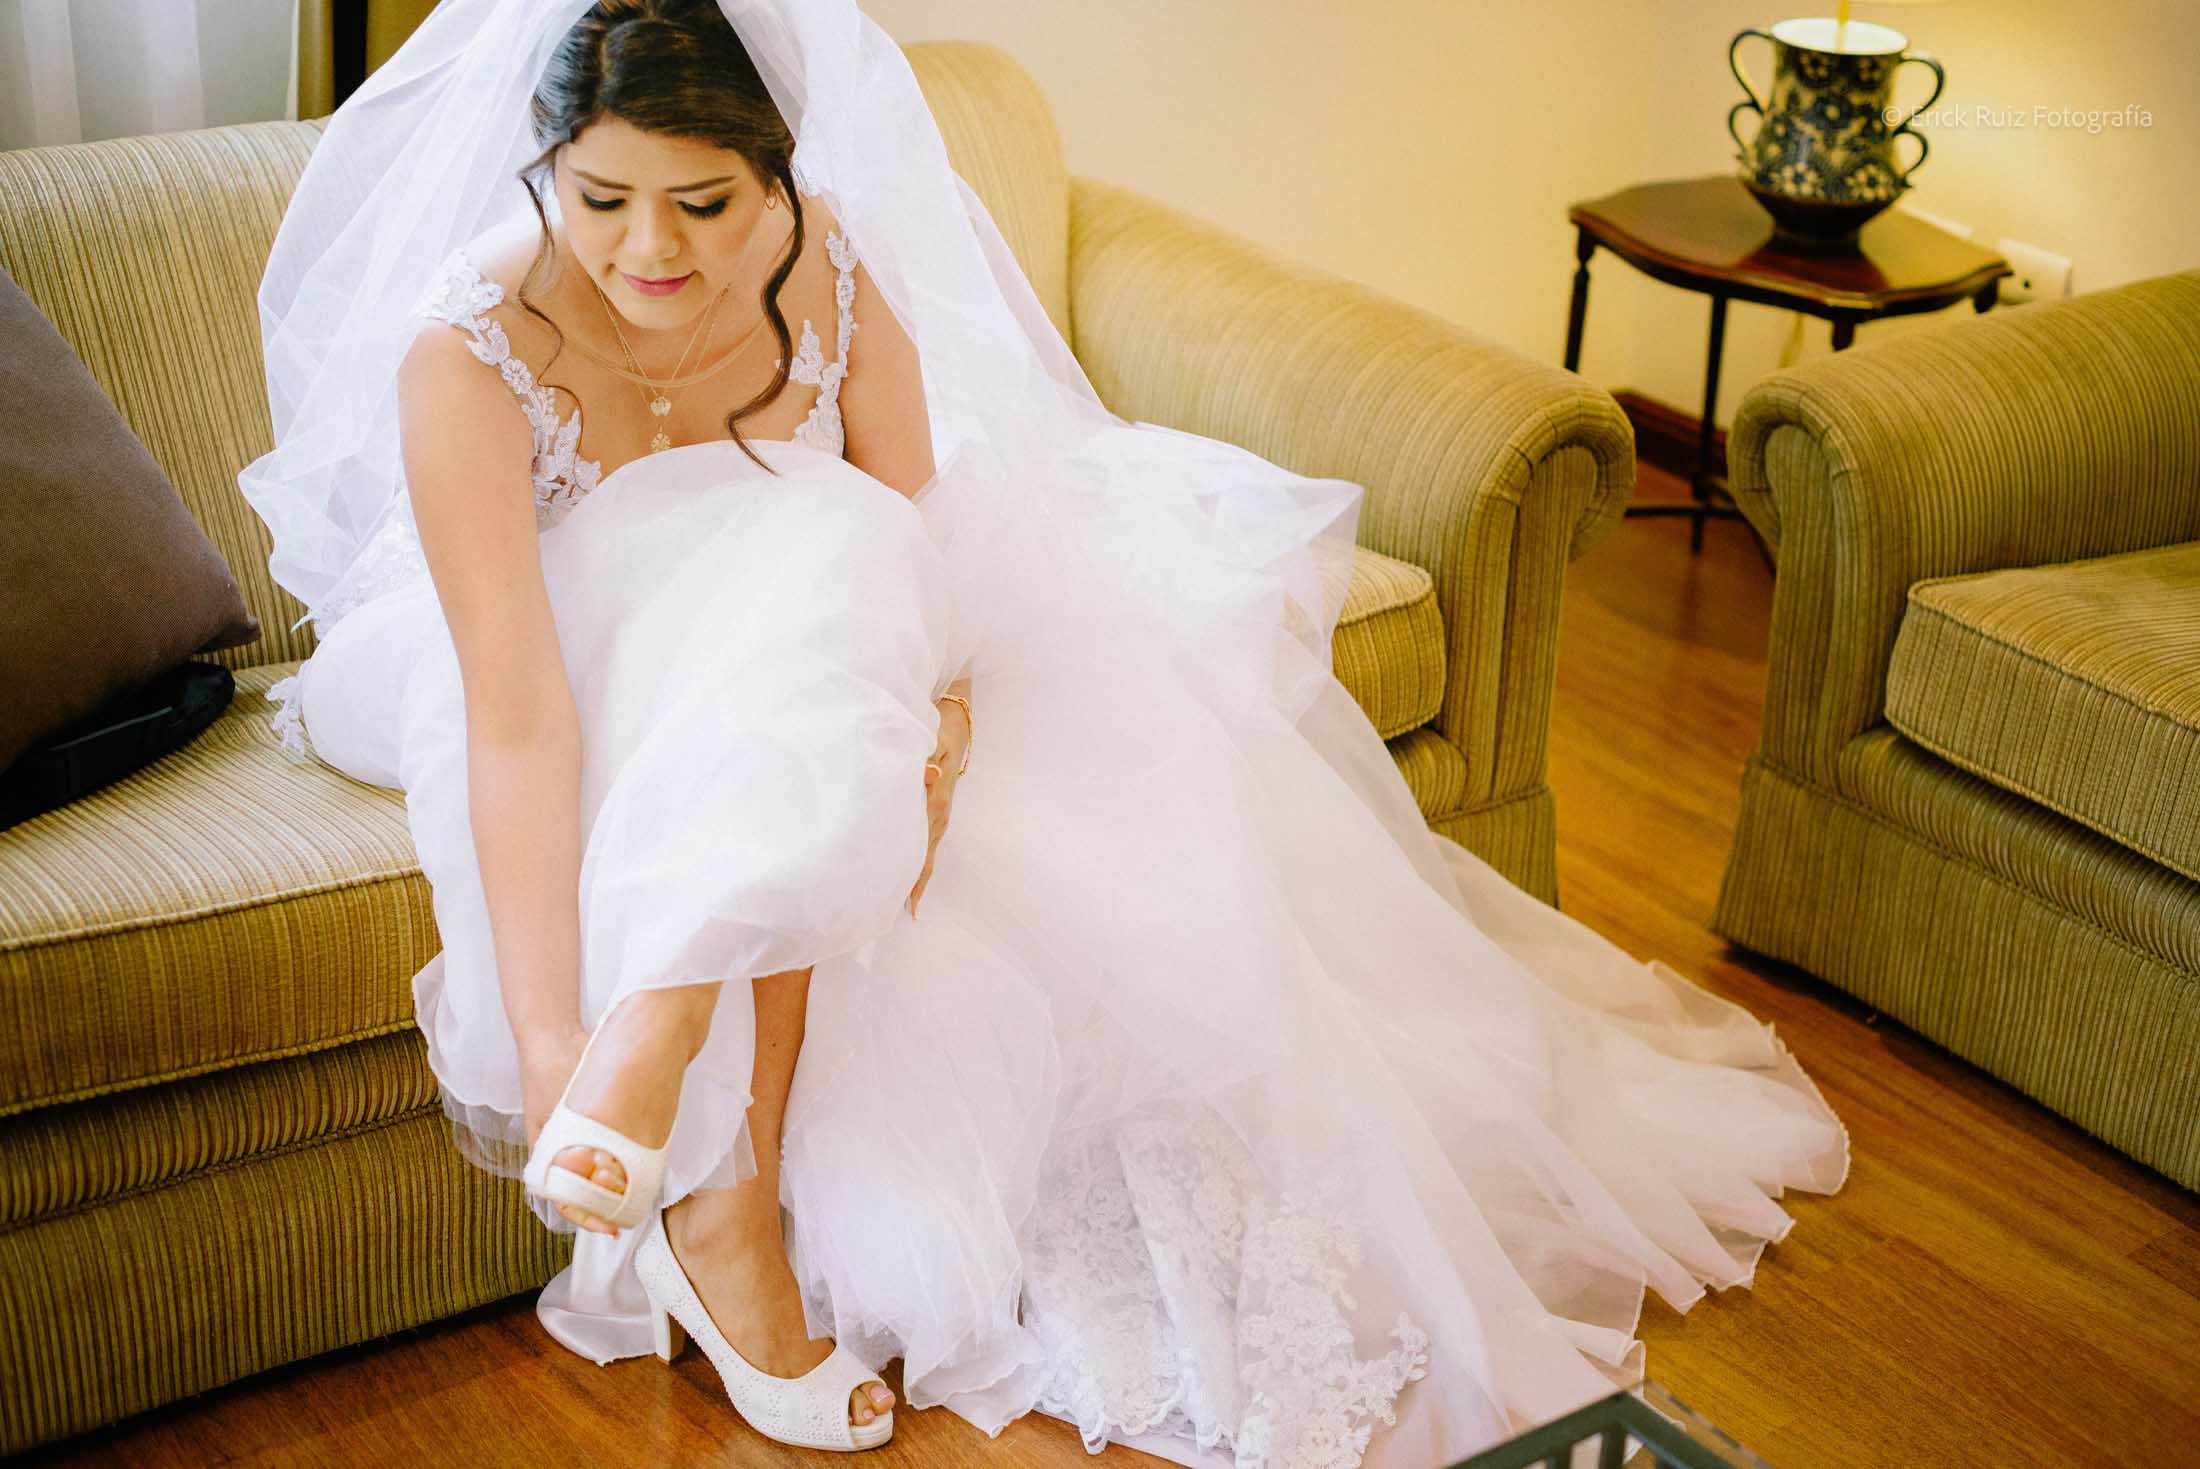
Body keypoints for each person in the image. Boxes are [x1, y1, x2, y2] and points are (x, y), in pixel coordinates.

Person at [239, 2, 1851, 1464]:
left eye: (704, 203)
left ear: (777, 174)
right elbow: (521, 719)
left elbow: (912, 541)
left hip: (811, 647)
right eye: (600, 200)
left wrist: (935, 724)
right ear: (545, 174)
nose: (648, 250)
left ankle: (671, 1070)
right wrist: (542, 1038)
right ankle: (703, 1183)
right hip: (550, 661)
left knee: (839, 560)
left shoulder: (828, 269)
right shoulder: (471, 353)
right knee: (811, 590)